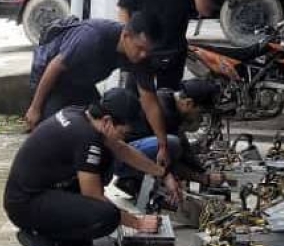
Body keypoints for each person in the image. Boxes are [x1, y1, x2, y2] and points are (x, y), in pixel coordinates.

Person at [4, 87, 179, 246]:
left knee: (106, 162)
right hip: (25, 204)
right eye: (123, 132)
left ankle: (58, 235)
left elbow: (122, 149)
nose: (124, 138)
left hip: (36, 193)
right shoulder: (86, 137)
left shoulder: (83, 116)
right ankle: (39, 235)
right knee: (107, 216)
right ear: (107, 121)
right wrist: (137, 222)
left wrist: (163, 174)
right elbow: (93, 196)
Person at [24, 12, 174, 167]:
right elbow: (54, 67)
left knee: (99, 126)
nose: (143, 55)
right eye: (140, 48)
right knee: (53, 131)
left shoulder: (141, 58)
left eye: (148, 51)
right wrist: (35, 108)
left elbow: (150, 101)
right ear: (126, 36)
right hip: (51, 80)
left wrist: (162, 145)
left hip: (82, 83)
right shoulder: (93, 38)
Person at [116, 79, 223, 195]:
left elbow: (184, 147)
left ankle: (132, 179)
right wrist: (203, 179)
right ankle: (132, 181)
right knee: (172, 145)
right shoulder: (166, 114)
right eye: (200, 112)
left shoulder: (168, 96)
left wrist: (202, 170)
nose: (201, 119)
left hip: (128, 151)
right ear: (188, 103)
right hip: (119, 159)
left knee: (174, 145)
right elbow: (169, 162)